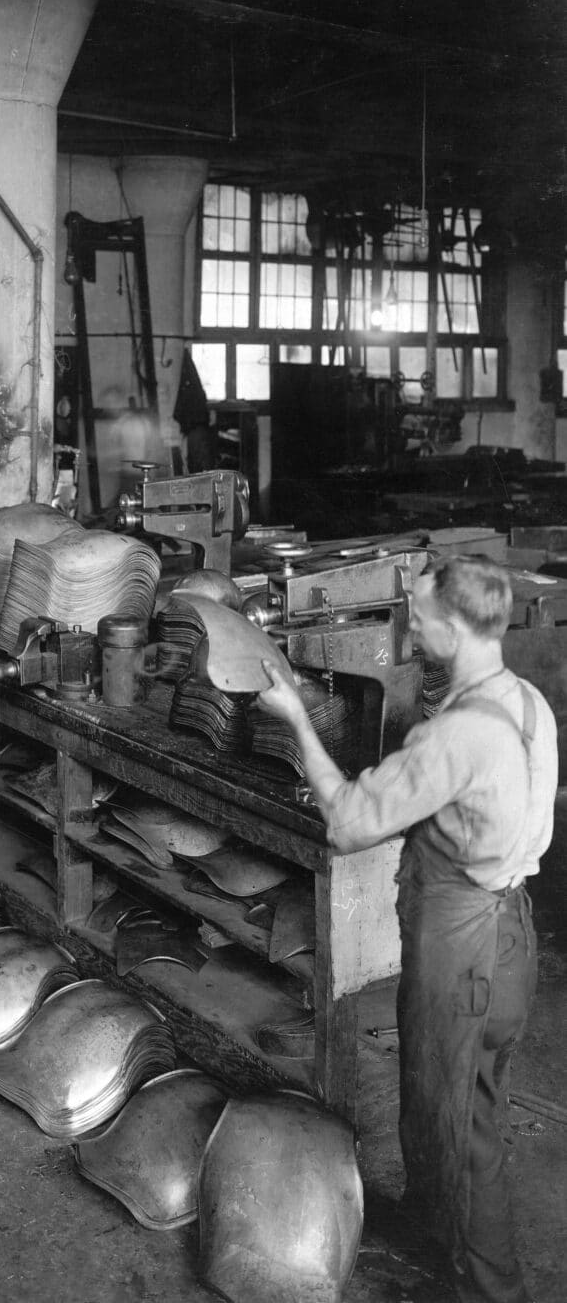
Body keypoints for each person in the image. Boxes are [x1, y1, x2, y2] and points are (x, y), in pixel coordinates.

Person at [257, 554, 557, 1303]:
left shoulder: (454, 735)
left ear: (453, 629)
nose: (408, 627)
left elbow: (350, 822)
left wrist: (296, 716)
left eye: (417, 617)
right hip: (511, 932)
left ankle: (490, 1288)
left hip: (462, 950)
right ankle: (442, 1229)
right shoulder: (527, 702)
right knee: (469, 1103)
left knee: (452, 1130)